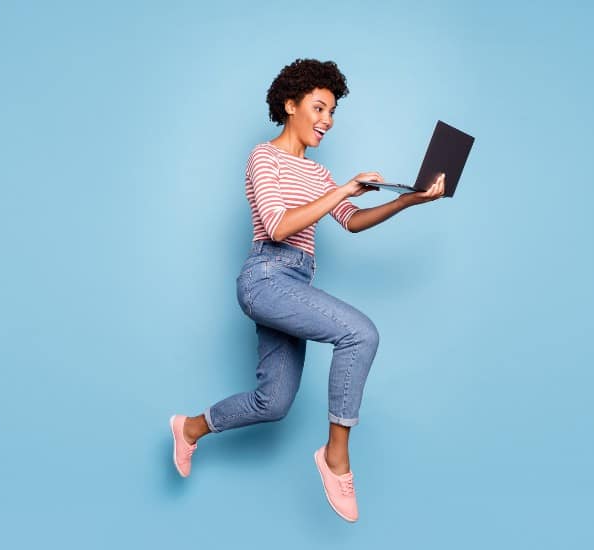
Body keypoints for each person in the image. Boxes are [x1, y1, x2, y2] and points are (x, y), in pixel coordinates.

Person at [169, 58, 444, 523]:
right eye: (319, 108)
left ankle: (190, 427)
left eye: (333, 112)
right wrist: (344, 189)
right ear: (290, 105)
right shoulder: (264, 156)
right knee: (361, 333)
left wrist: (407, 200)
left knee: (272, 403)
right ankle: (336, 457)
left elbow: (352, 222)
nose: (327, 121)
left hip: (295, 282)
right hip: (265, 279)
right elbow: (277, 226)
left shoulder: (318, 175)